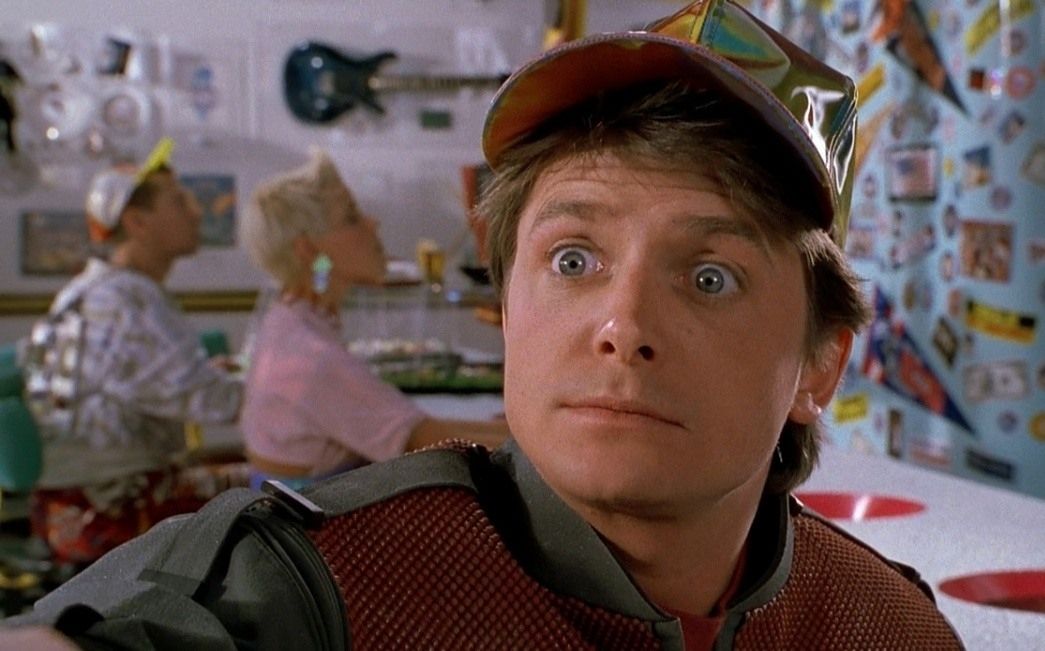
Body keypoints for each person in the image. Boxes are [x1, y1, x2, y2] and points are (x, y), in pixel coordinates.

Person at [5, 2, 963, 648]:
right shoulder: (317, 587)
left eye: (711, 277)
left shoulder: (884, 626)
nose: (622, 324)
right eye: (573, 260)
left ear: (818, 365)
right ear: (506, 310)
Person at [19, 138, 246, 565]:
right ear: (138, 222)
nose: (197, 212)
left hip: (69, 501)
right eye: (179, 202)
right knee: (275, 492)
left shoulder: (94, 290)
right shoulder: (126, 301)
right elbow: (217, 403)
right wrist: (298, 388)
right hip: (111, 507)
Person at [237, 149, 509, 488]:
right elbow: (433, 444)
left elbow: (419, 431)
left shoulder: (287, 322)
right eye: (351, 217)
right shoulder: (312, 357)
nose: (372, 223)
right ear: (309, 250)